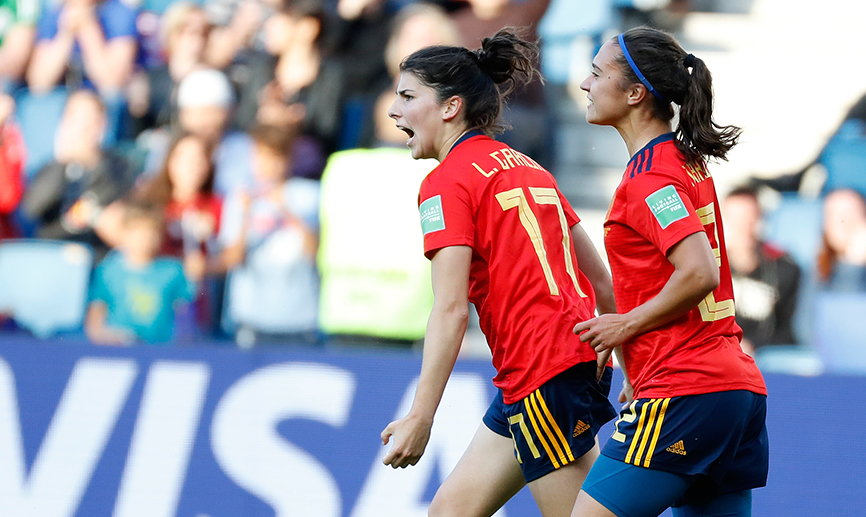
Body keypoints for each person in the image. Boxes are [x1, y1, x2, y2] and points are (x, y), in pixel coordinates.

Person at [380, 30, 618, 517]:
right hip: (552, 367)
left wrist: (421, 416)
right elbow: (602, 282)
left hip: (542, 370)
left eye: (408, 96)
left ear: (450, 108)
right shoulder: (530, 168)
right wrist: (618, 353)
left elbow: (449, 310)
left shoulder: (444, 183)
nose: (393, 110)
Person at [571, 26, 769, 517]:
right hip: (732, 388)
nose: (584, 84)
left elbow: (698, 271)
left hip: (686, 389)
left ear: (636, 93)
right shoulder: (685, 162)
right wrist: (637, 368)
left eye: (597, 73)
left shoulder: (651, 176)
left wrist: (624, 326)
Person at [216, 123, 320, 347]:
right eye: (260, 156)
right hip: (250, 319)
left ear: (288, 160)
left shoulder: (308, 195)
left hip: (299, 320)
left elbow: (314, 254)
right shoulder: (239, 199)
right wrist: (245, 216)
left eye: (274, 157)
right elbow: (232, 259)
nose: (266, 165)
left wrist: (287, 210)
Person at [22, 89, 134, 259]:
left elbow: (119, 206)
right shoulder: (51, 167)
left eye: (92, 119)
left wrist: (93, 162)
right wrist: (63, 162)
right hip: (55, 254)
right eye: (77, 118)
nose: (84, 126)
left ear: (103, 123)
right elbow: (32, 209)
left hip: (100, 255)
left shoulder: (119, 165)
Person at [85, 201, 195, 345]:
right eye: (138, 231)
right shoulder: (108, 270)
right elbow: (95, 320)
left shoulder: (174, 271)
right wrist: (110, 338)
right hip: (117, 352)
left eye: (151, 231)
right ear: (124, 232)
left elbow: (187, 320)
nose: (145, 238)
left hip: (160, 351)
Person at [722, 186, 801, 354]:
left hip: (766, 358)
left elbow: (791, 331)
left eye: (749, 218)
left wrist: (754, 346)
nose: (742, 228)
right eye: (734, 220)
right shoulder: (709, 269)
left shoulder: (785, 269)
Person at [817, 188, 866, 292]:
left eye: (853, 213)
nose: (845, 222)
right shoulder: (817, 272)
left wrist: (855, 259)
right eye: (835, 214)